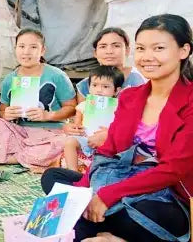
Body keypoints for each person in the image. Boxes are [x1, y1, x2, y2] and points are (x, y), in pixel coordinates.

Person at [41, 14, 193, 242]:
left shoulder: (189, 102)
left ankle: (104, 229)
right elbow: (107, 151)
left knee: (147, 214)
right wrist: (85, 195)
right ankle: (108, 232)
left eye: (159, 48)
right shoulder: (130, 97)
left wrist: (106, 196)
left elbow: (173, 171)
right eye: (141, 48)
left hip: (166, 194)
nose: (147, 57)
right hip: (120, 178)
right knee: (54, 178)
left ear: (184, 51)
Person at [0, 29, 77, 172]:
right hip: (21, 133)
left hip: (50, 133)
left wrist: (47, 115)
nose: (26, 52)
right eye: (22, 46)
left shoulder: (57, 76)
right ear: (16, 49)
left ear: (42, 50)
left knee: (64, 143)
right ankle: (32, 157)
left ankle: (9, 158)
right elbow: (2, 111)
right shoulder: (9, 79)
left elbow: (71, 108)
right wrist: (7, 114)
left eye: (33, 47)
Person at [63, 66, 124, 172]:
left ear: (116, 90)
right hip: (86, 138)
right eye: (94, 85)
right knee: (70, 142)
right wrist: (77, 128)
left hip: (107, 141)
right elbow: (77, 123)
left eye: (105, 87)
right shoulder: (84, 105)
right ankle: (72, 171)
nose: (99, 90)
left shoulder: (119, 106)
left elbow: (121, 126)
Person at [76, 27, 146, 103]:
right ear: (95, 53)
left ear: (127, 51)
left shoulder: (142, 78)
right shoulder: (85, 86)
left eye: (116, 46)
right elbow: (83, 113)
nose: (109, 51)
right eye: (103, 46)